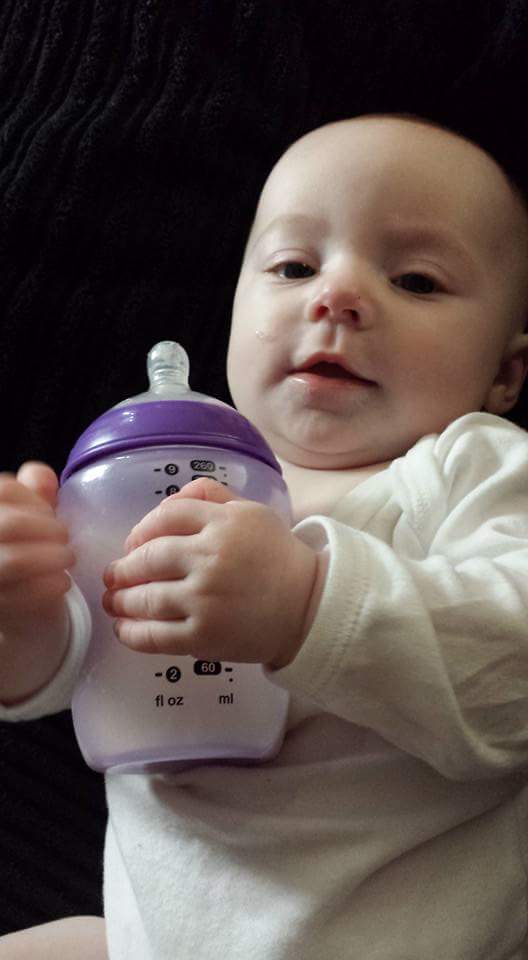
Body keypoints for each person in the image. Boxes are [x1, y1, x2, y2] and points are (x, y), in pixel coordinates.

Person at [1, 112, 528, 959]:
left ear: (505, 373)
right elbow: (93, 668)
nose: (336, 296)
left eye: (416, 280)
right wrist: (25, 617)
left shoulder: (473, 468)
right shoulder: (162, 477)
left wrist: (309, 604)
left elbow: (513, 670)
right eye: (294, 266)